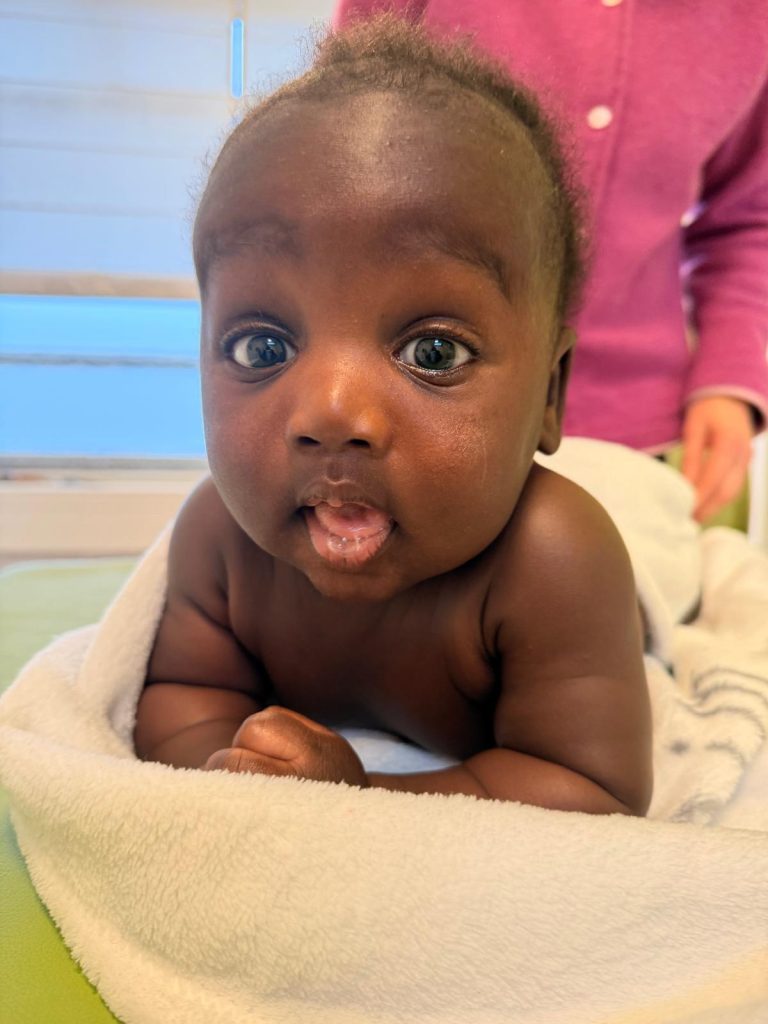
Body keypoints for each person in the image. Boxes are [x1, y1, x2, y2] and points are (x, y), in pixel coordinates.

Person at [133, 17, 652, 815]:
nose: (333, 412)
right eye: (262, 347)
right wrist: (231, 780)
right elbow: (180, 700)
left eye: (433, 352)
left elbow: (591, 788)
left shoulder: (551, 561)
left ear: (550, 394)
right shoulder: (220, 540)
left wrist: (360, 798)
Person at [334, 0, 768, 523]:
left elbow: (745, 218)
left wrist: (729, 376)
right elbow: (336, 157)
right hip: (415, 397)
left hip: (631, 430)